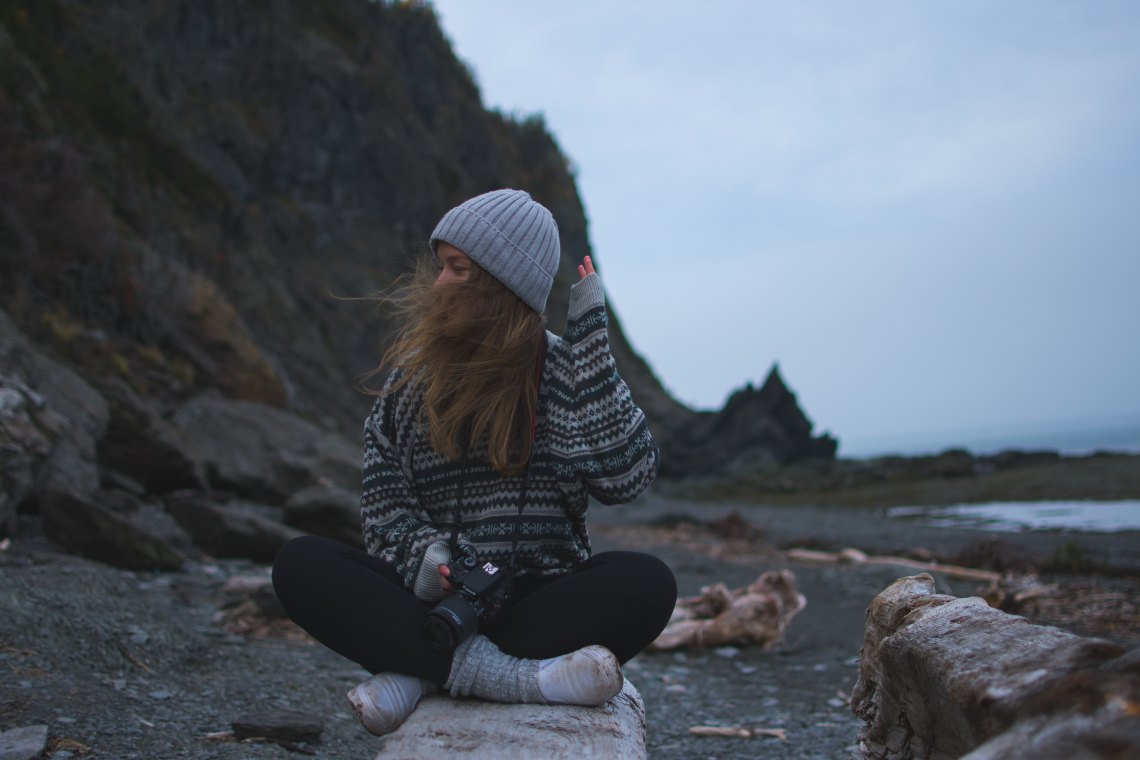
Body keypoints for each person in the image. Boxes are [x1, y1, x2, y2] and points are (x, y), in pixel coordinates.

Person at [272, 188, 677, 736]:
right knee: (300, 565)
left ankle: (418, 675)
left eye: (456, 269)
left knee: (647, 583)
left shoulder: (565, 373)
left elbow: (626, 476)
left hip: (536, 603)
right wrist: (428, 559)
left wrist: (592, 354)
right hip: (437, 602)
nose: (438, 284)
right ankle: (526, 679)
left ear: (499, 283)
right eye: (442, 266)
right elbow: (384, 506)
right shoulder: (411, 384)